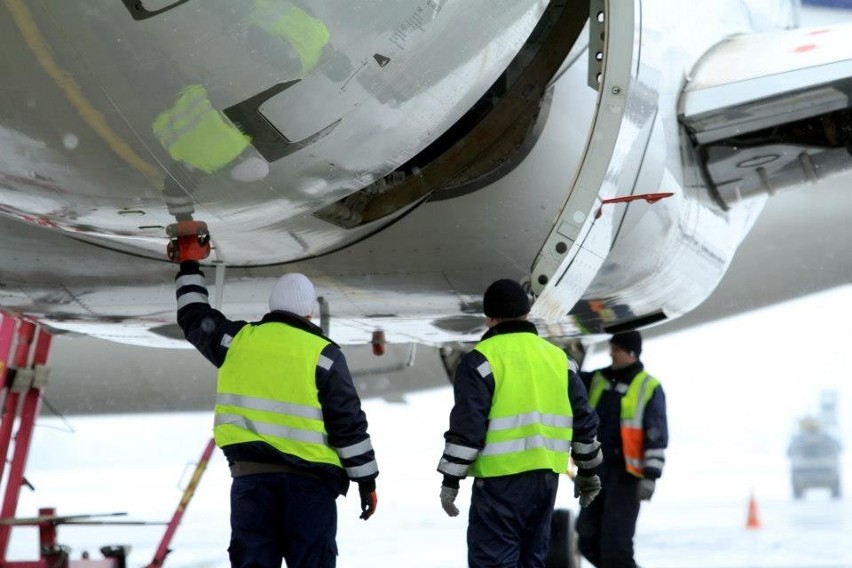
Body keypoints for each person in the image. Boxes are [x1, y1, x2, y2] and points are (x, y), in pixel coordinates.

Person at [174, 260, 378, 568]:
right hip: (310, 489)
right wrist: (366, 481)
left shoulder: (236, 341)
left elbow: (193, 317)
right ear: (309, 311)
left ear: (272, 306)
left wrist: (189, 265)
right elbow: (348, 425)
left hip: (252, 484)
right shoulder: (324, 355)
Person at [436, 278, 603, 568]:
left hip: (500, 484)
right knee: (532, 561)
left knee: (494, 562)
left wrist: (451, 479)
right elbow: (583, 421)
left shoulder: (481, 361)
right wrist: (588, 472)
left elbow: (468, 429)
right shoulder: (558, 359)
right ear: (527, 314)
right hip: (545, 482)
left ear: (490, 319)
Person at [577, 331, 668, 568]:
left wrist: (650, 476)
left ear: (631, 353)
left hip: (627, 476)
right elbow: (570, 381)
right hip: (597, 472)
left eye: (616, 349)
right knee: (587, 538)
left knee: (616, 546)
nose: (611, 353)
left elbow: (656, 435)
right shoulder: (598, 379)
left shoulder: (649, 387)